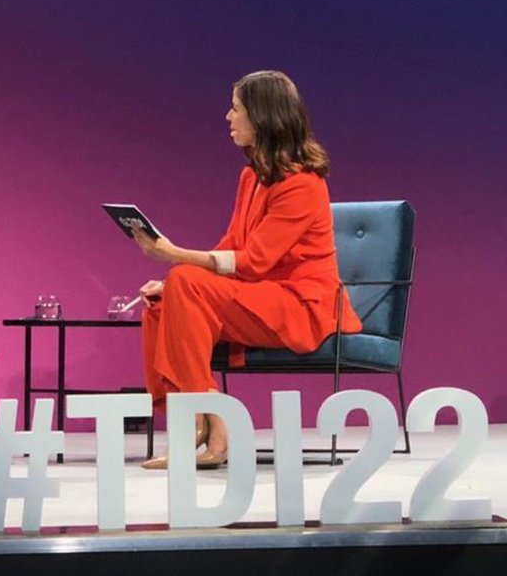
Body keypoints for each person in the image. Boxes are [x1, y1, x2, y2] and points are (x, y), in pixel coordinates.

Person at [130, 70, 360, 469]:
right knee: (162, 304)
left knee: (185, 279)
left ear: (262, 116)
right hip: (261, 295)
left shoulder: (303, 184)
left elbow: (254, 261)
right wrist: (172, 282)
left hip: (300, 304)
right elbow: (231, 245)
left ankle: (207, 422)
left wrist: (176, 255)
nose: (228, 117)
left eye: (236, 109)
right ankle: (199, 422)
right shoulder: (251, 176)